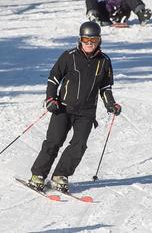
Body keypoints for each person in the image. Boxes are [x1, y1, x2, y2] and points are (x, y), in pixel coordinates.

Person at [28, 21, 122, 192]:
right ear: (80, 40)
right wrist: (51, 99)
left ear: (99, 40)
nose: (89, 44)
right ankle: (38, 175)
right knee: (54, 141)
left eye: (93, 40)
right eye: (86, 40)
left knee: (79, 145)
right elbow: (54, 78)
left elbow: (105, 87)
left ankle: (60, 175)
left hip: (86, 112)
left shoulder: (104, 61)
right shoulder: (69, 56)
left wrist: (110, 103)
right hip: (63, 107)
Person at [85, 0, 152, 26]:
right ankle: (93, 18)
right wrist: (109, 6)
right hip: (106, 15)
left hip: (120, 12)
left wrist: (117, 6)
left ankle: (141, 14)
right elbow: (100, 1)